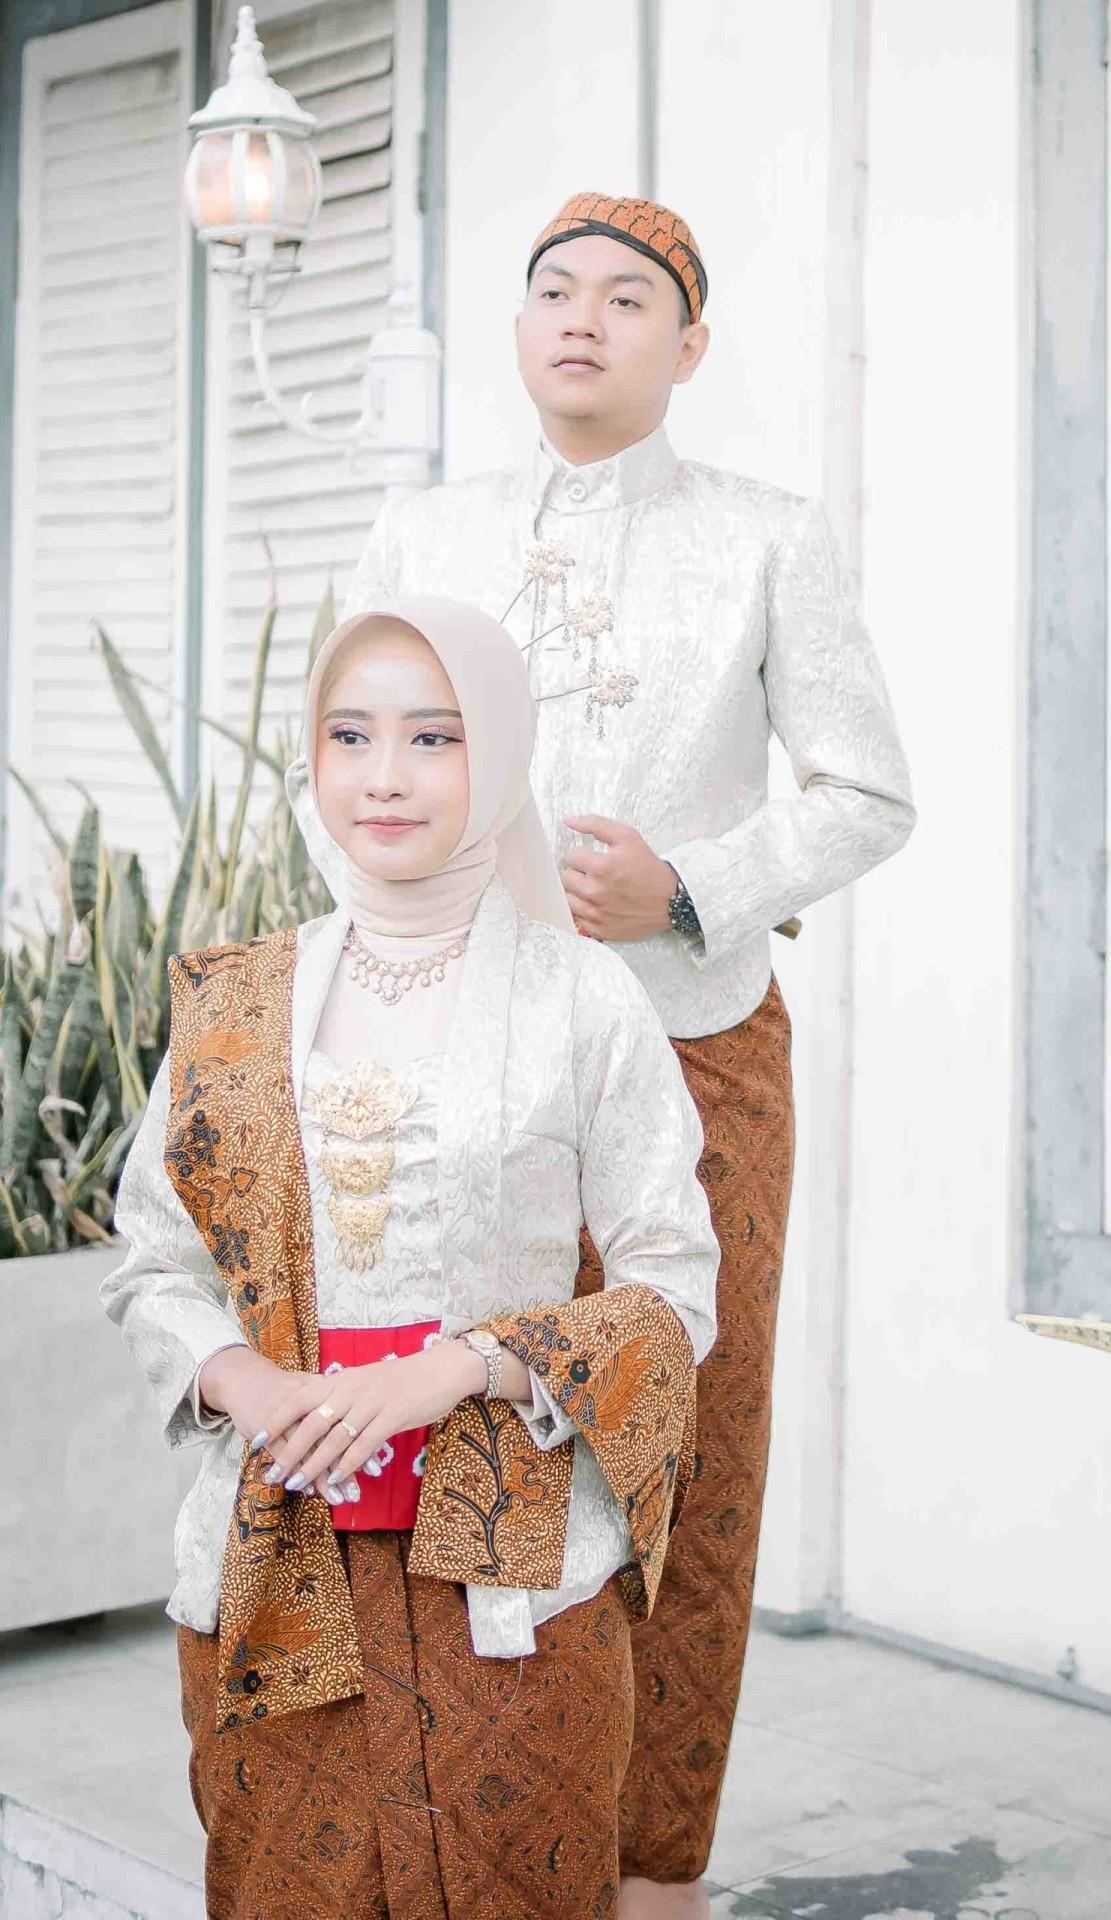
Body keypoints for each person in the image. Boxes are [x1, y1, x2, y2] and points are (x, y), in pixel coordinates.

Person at [342, 194, 915, 1912]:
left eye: (626, 297)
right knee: (466, 1425)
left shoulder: (765, 537)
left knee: (683, 1449)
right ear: (521, 329)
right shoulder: (423, 529)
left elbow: (867, 791)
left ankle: (651, 1871)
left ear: (690, 344)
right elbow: (336, 771)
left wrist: (690, 890)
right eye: (552, 290)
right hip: (456, 1052)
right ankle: (470, 1844)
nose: (581, 317)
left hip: (694, 1048)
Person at [102, 595, 719, 1918]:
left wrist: (454, 1370)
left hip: (517, 1578)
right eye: (351, 735)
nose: (385, 776)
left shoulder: (582, 997)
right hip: (278, 1549)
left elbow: (673, 1287)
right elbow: (153, 1260)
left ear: (497, 754)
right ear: (312, 756)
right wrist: (252, 1386)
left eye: (434, 736)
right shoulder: (232, 1002)